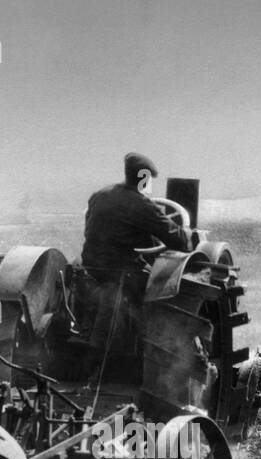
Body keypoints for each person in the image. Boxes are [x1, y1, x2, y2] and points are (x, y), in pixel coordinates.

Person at [78, 152, 193, 380]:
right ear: (143, 178)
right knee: (162, 291)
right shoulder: (141, 204)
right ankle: (149, 349)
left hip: (92, 269)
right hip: (123, 273)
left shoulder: (99, 195)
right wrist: (188, 234)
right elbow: (178, 241)